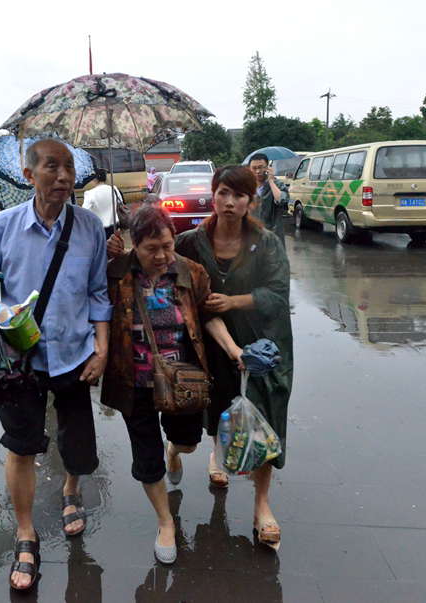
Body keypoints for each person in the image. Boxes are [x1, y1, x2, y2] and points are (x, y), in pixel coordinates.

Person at [0, 139, 111, 591]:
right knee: (22, 445)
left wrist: (102, 349)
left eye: (69, 167)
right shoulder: (1, 226)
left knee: (76, 438)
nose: (63, 177)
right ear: (29, 175)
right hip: (17, 358)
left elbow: (99, 294)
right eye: (52, 167)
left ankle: (70, 489)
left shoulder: (89, 227)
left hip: (74, 353)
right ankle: (26, 531)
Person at [102, 205, 243, 565]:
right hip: (134, 382)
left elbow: (209, 316)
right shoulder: (115, 273)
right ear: (134, 243)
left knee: (187, 443)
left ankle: (174, 451)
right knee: (147, 460)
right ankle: (165, 522)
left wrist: (232, 348)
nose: (162, 255)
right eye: (151, 249)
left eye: (167, 245)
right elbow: (92, 308)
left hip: (183, 381)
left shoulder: (189, 272)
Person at [175, 165, 293, 550]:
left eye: (239, 196)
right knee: (216, 406)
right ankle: (211, 450)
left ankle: (261, 506)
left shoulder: (267, 242)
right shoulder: (190, 242)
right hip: (206, 343)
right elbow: (164, 277)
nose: (229, 202)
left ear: (250, 201)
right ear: (214, 193)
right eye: (224, 192)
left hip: (261, 343)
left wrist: (235, 301)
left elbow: (278, 295)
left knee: (263, 419)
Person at [248, 153, 289, 241]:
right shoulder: (247, 186)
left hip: (272, 235)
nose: (258, 171)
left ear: (267, 168)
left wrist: (271, 181)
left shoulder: (277, 184)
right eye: (254, 168)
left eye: (261, 167)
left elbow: (281, 200)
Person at [82, 168, 124, 238]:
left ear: (95, 179)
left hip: (99, 227)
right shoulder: (114, 189)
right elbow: (120, 202)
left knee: (101, 247)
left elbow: (84, 211)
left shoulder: (90, 193)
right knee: (114, 247)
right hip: (115, 226)